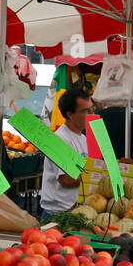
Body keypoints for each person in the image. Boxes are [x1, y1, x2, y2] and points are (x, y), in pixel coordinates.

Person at [38, 86, 93, 220]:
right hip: (58, 215)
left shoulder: (84, 138)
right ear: (70, 114)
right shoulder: (60, 139)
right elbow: (67, 180)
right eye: (86, 111)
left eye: (92, 109)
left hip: (74, 211)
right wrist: (96, 175)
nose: (91, 114)